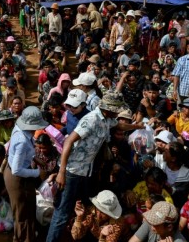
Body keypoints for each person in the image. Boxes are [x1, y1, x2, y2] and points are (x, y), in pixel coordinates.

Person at [46, 92, 141, 242]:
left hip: (85, 171)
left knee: (82, 206)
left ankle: (78, 234)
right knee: (62, 212)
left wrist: (137, 125)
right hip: (72, 171)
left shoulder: (108, 119)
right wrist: (61, 172)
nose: (117, 112)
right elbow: (69, 141)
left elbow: (120, 125)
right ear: (108, 108)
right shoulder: (91, 120)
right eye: (116, 109)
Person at [5, 106, 48, 242]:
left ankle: (24, 236)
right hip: (18, 178)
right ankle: (23, 238)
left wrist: (35, 158)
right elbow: (17, 170)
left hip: (15, 171)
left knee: (25, 209)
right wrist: (37, 173)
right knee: (23, 213)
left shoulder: (20, 127)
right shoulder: (22, 140)